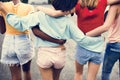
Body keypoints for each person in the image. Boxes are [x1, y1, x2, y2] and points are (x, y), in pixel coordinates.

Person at [0, 0, 105, 80]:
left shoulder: (39, 15)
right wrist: (99, 40)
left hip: (45, 54)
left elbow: (19, 23)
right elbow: (82, 39)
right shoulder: (68, 22)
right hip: (60, 54)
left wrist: (5, 11)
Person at [35, 0, 120, 80]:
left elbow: (55, 13)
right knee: (91, 78)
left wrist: (39, 8)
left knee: (78, 73)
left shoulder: (78, 5)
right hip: (97, 45)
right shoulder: (103, 2)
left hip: (82, 45)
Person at [86, 4, 120, 80]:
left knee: (106, 72)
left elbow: (106, 26)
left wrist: (86, 35)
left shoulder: (115, 6)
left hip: (115, 44)